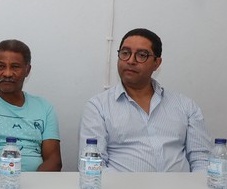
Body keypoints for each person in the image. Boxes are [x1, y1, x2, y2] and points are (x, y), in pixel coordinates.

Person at [79, 28, 210, 172]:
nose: (131, 61)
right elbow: (92, 164)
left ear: (156, 63)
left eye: (141, 55)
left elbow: (201, 160)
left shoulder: (186, 106)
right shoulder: (98, 107)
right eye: (125, 53)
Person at [0, 39, 62, 171]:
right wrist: (4, 186)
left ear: (27, 70)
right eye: (1, 66)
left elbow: (54, 160)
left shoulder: (45, 108)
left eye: (15, 67)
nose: (7, 73)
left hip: (36, 187)